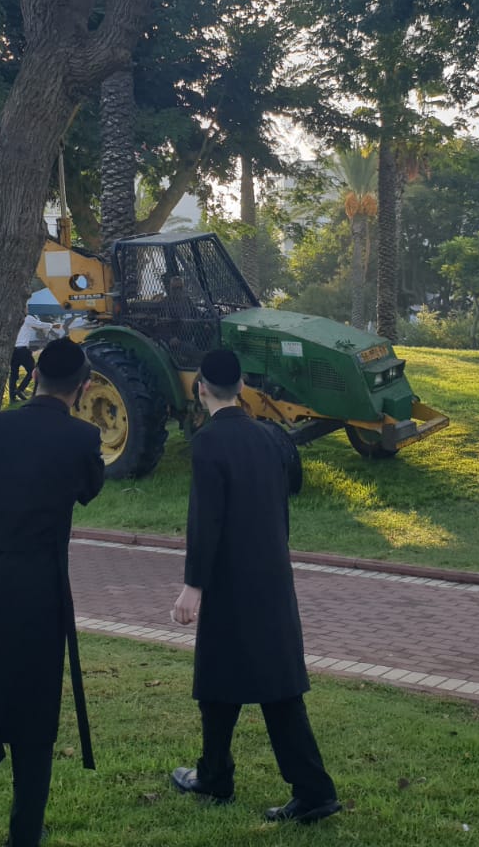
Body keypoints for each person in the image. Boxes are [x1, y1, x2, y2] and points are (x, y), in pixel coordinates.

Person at [0, 339, 105, 847]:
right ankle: (24, 831)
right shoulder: (82, 439)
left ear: (32, 378)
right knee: (34, 709)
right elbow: (88, 489)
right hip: (37, 589)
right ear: (83, 388)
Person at [169, 349, 340, 824]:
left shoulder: (207, 443)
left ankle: (224, 777)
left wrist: (192, 586)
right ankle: (237, 777)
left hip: (228, 580)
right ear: (242, 386)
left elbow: (206, 519)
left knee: (219, 677)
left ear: (201, 389)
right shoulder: (272, 437)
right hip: (272, 575)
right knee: (273, 685)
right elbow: (287, 495)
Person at [9, 311, 57, 404]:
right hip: (22, 349)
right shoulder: (27, 318)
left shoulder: (11, 317)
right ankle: (20, 389)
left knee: (14, 373)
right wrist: (53, 325)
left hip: (12, 350)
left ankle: (12, 397)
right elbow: (40, 324)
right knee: (33, 371)